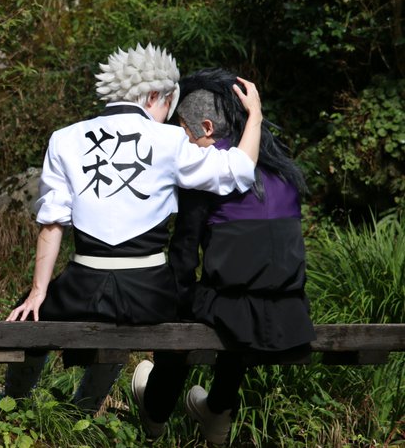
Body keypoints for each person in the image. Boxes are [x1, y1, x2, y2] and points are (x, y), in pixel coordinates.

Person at [4, 46, 263, 415]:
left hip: (81, 289)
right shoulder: (171, 140)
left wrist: (37, 292)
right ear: (154, 95)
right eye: (168, 103)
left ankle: (13, 405)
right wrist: (255, 116)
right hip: (150, 295)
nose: (167, 114)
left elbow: (52, 223)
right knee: (127, 318)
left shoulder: (64, 138)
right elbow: (239, 170)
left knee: (29, 311)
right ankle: (83, 411)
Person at [130, 67, 316, 443]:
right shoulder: (283, 170)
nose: (183, 143)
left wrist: (174, 303)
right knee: (240, 298)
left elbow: (184, 255)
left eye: (184, 132)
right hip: (291, 311)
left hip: (237, 308)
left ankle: (156, 412)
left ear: (207, 128)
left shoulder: (211, 172)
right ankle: (217, 412)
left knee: (187, 309)